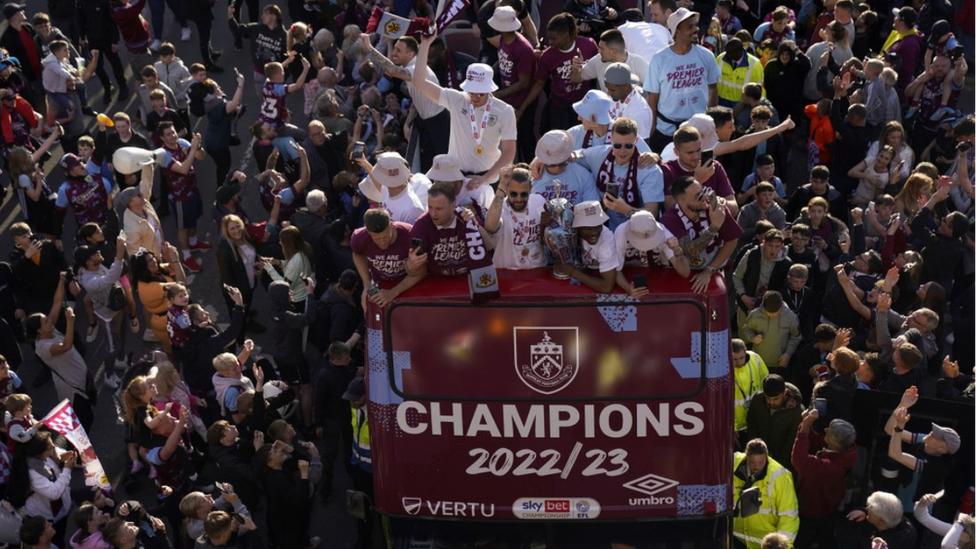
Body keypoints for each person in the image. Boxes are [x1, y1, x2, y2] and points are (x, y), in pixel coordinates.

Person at [413, 32, 517, 188]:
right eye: (471, 91)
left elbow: (509, 152)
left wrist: (486, 178)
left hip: (488, 178)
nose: (474, 97)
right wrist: (425, 45)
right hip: (456, 177)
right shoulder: (457, 99)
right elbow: (419, 82)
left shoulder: (505, 110)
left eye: (480, 93)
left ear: (490, 90)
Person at [357, 34, 449, 172]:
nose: (394, 53)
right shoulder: (414, 66)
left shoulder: (416, 69)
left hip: (438, 124)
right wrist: (408, 122)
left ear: (410, 54)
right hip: (425, 122)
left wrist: (370, 48)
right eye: (394, 48)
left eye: (398, 50)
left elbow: (392, 70)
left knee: (440, 168)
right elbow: (417, 98)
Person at [643, 8, 719, 152]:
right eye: (690, 27)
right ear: (676, 31)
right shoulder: (659, 59)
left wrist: (710, 118)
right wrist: (652, 126)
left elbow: (713, 88)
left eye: (695, 25)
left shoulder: (706, 55)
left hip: (698, 130)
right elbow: (653, 96)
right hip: (666, 130)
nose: (696, 29)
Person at [661, 176, 744, 293]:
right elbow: (691, 252)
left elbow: (732, 240)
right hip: (686, 271)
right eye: (698, 196)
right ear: (683, 203)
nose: (705, 197)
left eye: (703, 191)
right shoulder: (670, 218)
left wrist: (709, 271)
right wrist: (714, 227)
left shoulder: (715, 206)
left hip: (715, 265)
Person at [576, 117, 665, 227]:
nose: (622, 151)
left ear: (636, 141)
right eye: (617, 145)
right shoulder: (599, 154)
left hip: (637, 232)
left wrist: (626, 209)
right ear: (611, 139)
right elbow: (571, 156)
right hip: (605, 230)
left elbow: (652, 213)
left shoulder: (649, 169)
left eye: (628, 146)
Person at [519, 13, 598, 132]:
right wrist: (522, 108)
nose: (550, 42)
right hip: (560, 109)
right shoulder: (547, 56)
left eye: (554, 38)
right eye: (549, 38)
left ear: (566, 34)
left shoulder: (589, 45)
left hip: (584, 107)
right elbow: (539, 84)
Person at [791, 409, 857, 549]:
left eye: (828, 431)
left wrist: (805, 428)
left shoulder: (829, 467)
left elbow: (799, 460)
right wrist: (806, 424)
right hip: (828, 508)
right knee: (826, 535)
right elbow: (815, 440)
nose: (825, 430)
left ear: (833, 442)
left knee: (802, 541)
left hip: (811, 511)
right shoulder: (844, 451)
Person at [75, 236, 128, 387]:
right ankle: (109, 375)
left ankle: (120, 360)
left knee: (122, 336)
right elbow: (111, 277)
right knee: (112, 348)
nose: (98, 251)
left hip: (118, 309)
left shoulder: (96, 266)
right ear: (87, 262)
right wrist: (120, 253)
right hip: (108, 317)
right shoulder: (89, 281)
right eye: (93, 253)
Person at [732, 438, 800, 549]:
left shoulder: (780, 477)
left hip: (765, 545)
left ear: (767, 457)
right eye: (753, 462)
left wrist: (782, 546)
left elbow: (788, 515)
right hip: (736, 539)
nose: (756, 466)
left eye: (760, 462)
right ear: (746, 457)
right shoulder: (733, 463)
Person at [159, 125, 209, 273]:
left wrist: (197, 146)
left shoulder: (182, 142)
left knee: (193, 220)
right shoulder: (163, 155)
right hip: (179, 196)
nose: (172, 136)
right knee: (183, 227)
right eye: (167, 134)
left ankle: (193, 243)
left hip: (192, 189)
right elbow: (182, 169)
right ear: (162, 138)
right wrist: (193, 149)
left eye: (173, 132)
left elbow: (201, 156)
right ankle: (186, 257)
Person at [485, 165, 547, 270]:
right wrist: (501, 186)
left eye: (524, 194)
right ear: (506, 190)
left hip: (538, 270)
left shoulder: (539, 201)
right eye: (513, 194)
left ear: (530, 189)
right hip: (507, 273)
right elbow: (490, 227)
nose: (518, 199)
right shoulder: (499, 207)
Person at [553, 200, 620, 293]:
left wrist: (573, 272)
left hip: (599, 272)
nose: (594, 232)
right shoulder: (566, 233)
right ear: (577, 227)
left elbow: (607, 287)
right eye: (587, 228)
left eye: (597, 226)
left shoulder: (606, 245)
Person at [614, 210, 691, 291]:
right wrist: (629, 290)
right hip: (630, 279)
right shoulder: (621, 232)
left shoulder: (664, 234)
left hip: (661, 280)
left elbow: (685, 273)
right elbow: (616, 270)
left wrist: (677, 250)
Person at [733, 230, 792, 333]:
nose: (773, 250)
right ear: (764, 243)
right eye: (770, 245)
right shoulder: (752, 255)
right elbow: (737, 277)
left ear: (782, 246)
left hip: (769, 308)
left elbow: (785, 288)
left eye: (777, 246)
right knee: (744, 334)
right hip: (746, 302)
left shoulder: (786, 264)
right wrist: (743, 296)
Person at [746, 374, 803, 470]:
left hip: (782, 464)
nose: (771, 402)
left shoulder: (797, 411)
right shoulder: (758, 400)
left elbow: (792, 442)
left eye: (776, 399)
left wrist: (777, 465)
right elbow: (751, 424)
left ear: (785, 392)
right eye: (768, 398)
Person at [531, 130, 601, 205]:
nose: (557, 168)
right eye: (552, 165)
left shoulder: (583, 175)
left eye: (562, 164)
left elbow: (593, 208)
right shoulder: (533, 176)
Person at [572, 28, 649, 94]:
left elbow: (653, 90)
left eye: (602, 48)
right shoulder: (598, 60)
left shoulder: (639, 63)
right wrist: (576, 68)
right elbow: (576, 79)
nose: (598, 51)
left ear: (613, 51)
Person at [846, 492, 917, 549]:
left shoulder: (889, 544)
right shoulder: (893, 517)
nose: (867, 509)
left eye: (871, 510)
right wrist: (863, 511)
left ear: (881, 520)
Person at [603, 63, 652, 140]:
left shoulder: (640, 111)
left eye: (612, 90)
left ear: (625, 86)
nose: (609, 93)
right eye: (608, 89)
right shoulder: (615, 96)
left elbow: (643, 144)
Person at [732, 338, 769, 437]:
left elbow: (765, 380)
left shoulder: (755, 357)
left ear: (745, 352)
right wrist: (732, 427)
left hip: (755, 419)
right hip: (737, 426)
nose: (739, 362)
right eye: (735, 359)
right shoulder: (723, 368)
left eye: (741, 358)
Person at [716, 38, 764, 109]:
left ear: (739, 52)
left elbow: (759, 88)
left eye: (730, 52)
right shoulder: (721, 58)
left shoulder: (755, 64)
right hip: (719, 103)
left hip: (742, 107)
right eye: (726, 52)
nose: (727, 55)